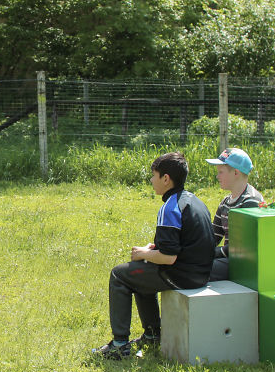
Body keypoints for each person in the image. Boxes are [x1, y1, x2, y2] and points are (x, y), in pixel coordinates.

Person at [92, 152, 215, 359]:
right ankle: (151, 335)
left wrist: (143, 254)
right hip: (201, 273)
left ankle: (120, 345)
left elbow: (168, 258)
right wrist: (152, 250)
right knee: (140, 275)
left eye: (154, 175)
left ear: (166, 179)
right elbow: (183, 242)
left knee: (120, 275)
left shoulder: (169, 207)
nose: (151, 180)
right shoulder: (194, 201)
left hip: (182, 276)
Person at [205, 147, 264, 281]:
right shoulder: (226, 201)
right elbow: (214, 235)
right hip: (230, 258)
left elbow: (244, 246)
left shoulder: (251, 201)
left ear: (236, 173)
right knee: (191, 264)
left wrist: (211, 254)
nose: (217, 176)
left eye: (221, 172)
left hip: (245, 262)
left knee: (199, 269)